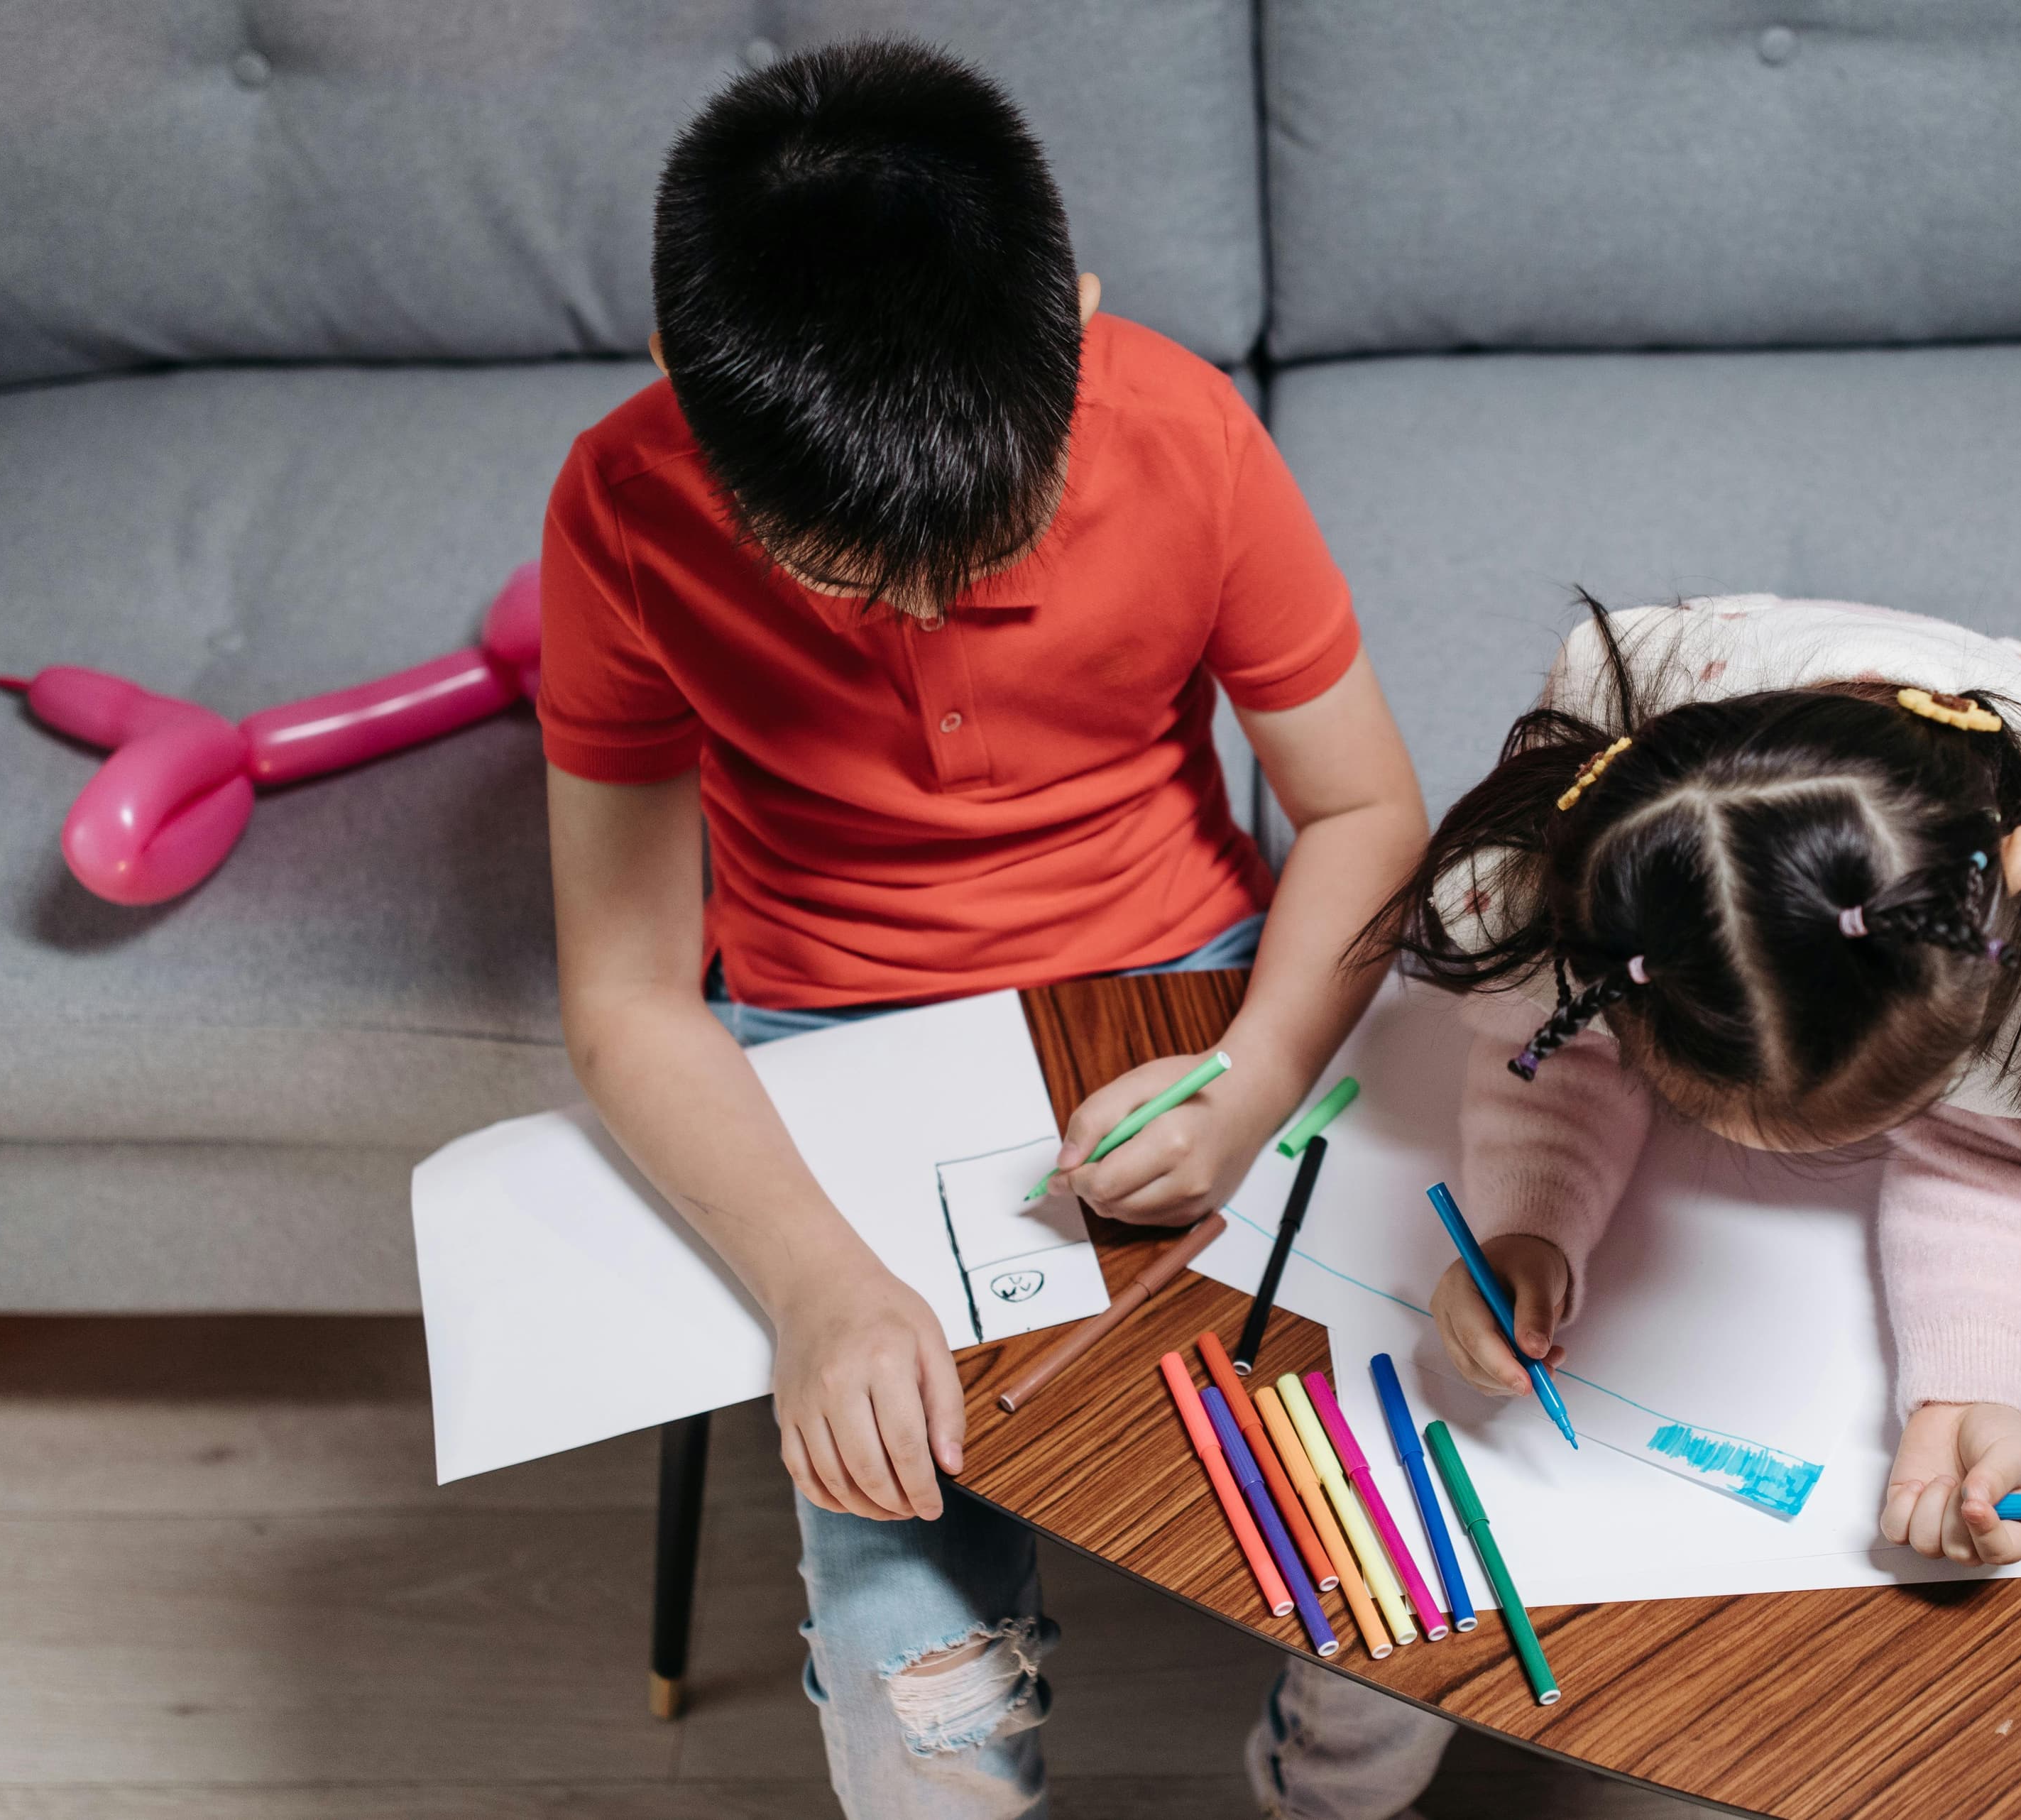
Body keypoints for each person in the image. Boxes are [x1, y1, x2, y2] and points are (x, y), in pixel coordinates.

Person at [538, 42, 1426, 1820]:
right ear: (680, 390)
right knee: (921, 1707)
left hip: (1184, 993)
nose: (926, 612)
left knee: (1410, 1598)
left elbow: (1366, 814)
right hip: (826, 1041)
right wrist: (816, 1287)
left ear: (1076, 327)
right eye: (853, 578)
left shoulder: (1186, 434)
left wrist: (1253, 1083)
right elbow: (627, 990)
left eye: (983, 547)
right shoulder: (623, 507)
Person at [1371, 591, 2021, 1565]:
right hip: (1731, 709)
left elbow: (2003, 1163)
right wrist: (1530, 1225)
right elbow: (1557, 1058)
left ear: (2009, 881)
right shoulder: (1600, 891)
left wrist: (1972, 1388)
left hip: (2004, 754)